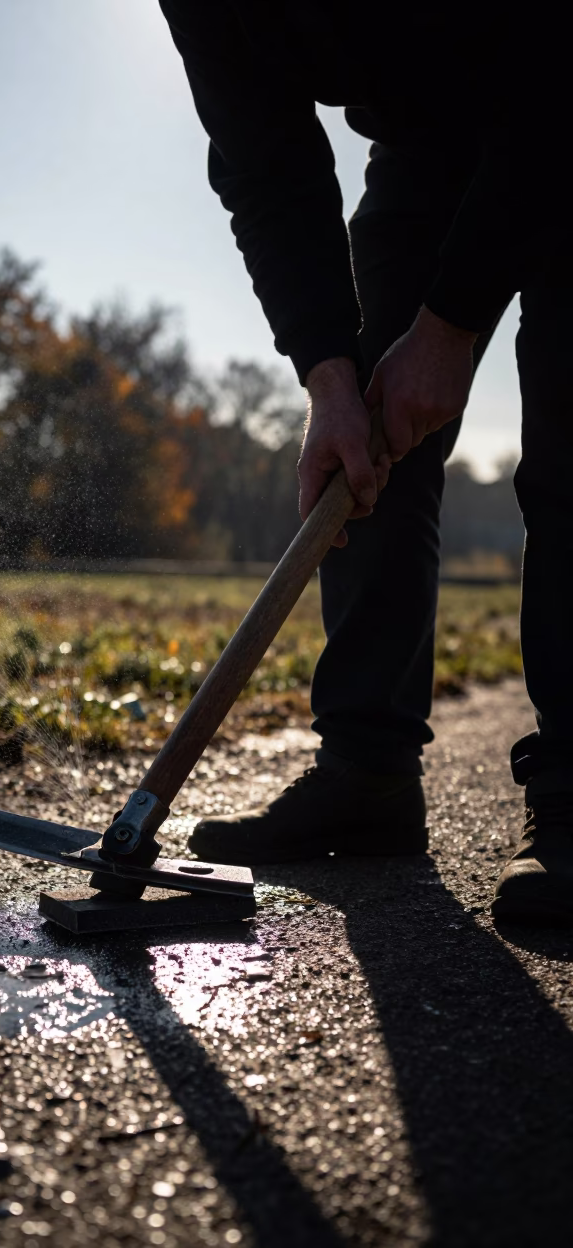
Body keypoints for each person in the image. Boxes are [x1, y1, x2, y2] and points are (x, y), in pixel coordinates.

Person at [158, 0, 572, 924]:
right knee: (367, 459)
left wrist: (452, 321)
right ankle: (367, 776)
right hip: (428, 144)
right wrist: (327, 377)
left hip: (560, 91)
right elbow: (267, 165)